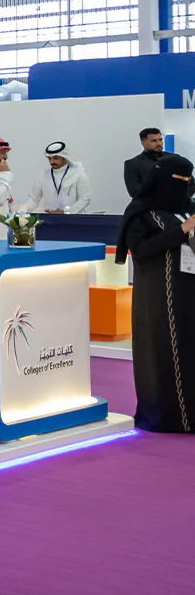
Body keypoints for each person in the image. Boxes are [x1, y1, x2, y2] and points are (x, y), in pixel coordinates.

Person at [115, 154, 195, 433]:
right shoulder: (141, 212)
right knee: (165, 351)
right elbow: (141, 249)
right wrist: (183, 230)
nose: (183, 186)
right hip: (160, 296)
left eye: (188, 181)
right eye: (178, 181)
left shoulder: (187, 207)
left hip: (189, 293)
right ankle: (169, 416)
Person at [28, 141, 91, 214]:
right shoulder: (43, 175)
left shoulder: (78, 174)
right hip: (50, 221)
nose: (51, 161)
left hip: (75, 220)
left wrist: (67, 211)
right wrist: (24, 210)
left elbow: (85, 198)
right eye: (49, 158)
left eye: (55, 158)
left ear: (65, 158)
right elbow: (33, 198)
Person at [125, 128, 167, 199]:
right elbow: (135, 191)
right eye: (153, 141)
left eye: (160, 140)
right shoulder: (133, 164)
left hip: (177, 206)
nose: (158, 143)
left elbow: (190, 183)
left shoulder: (174, 159)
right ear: (143, 143)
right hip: (149, 207)